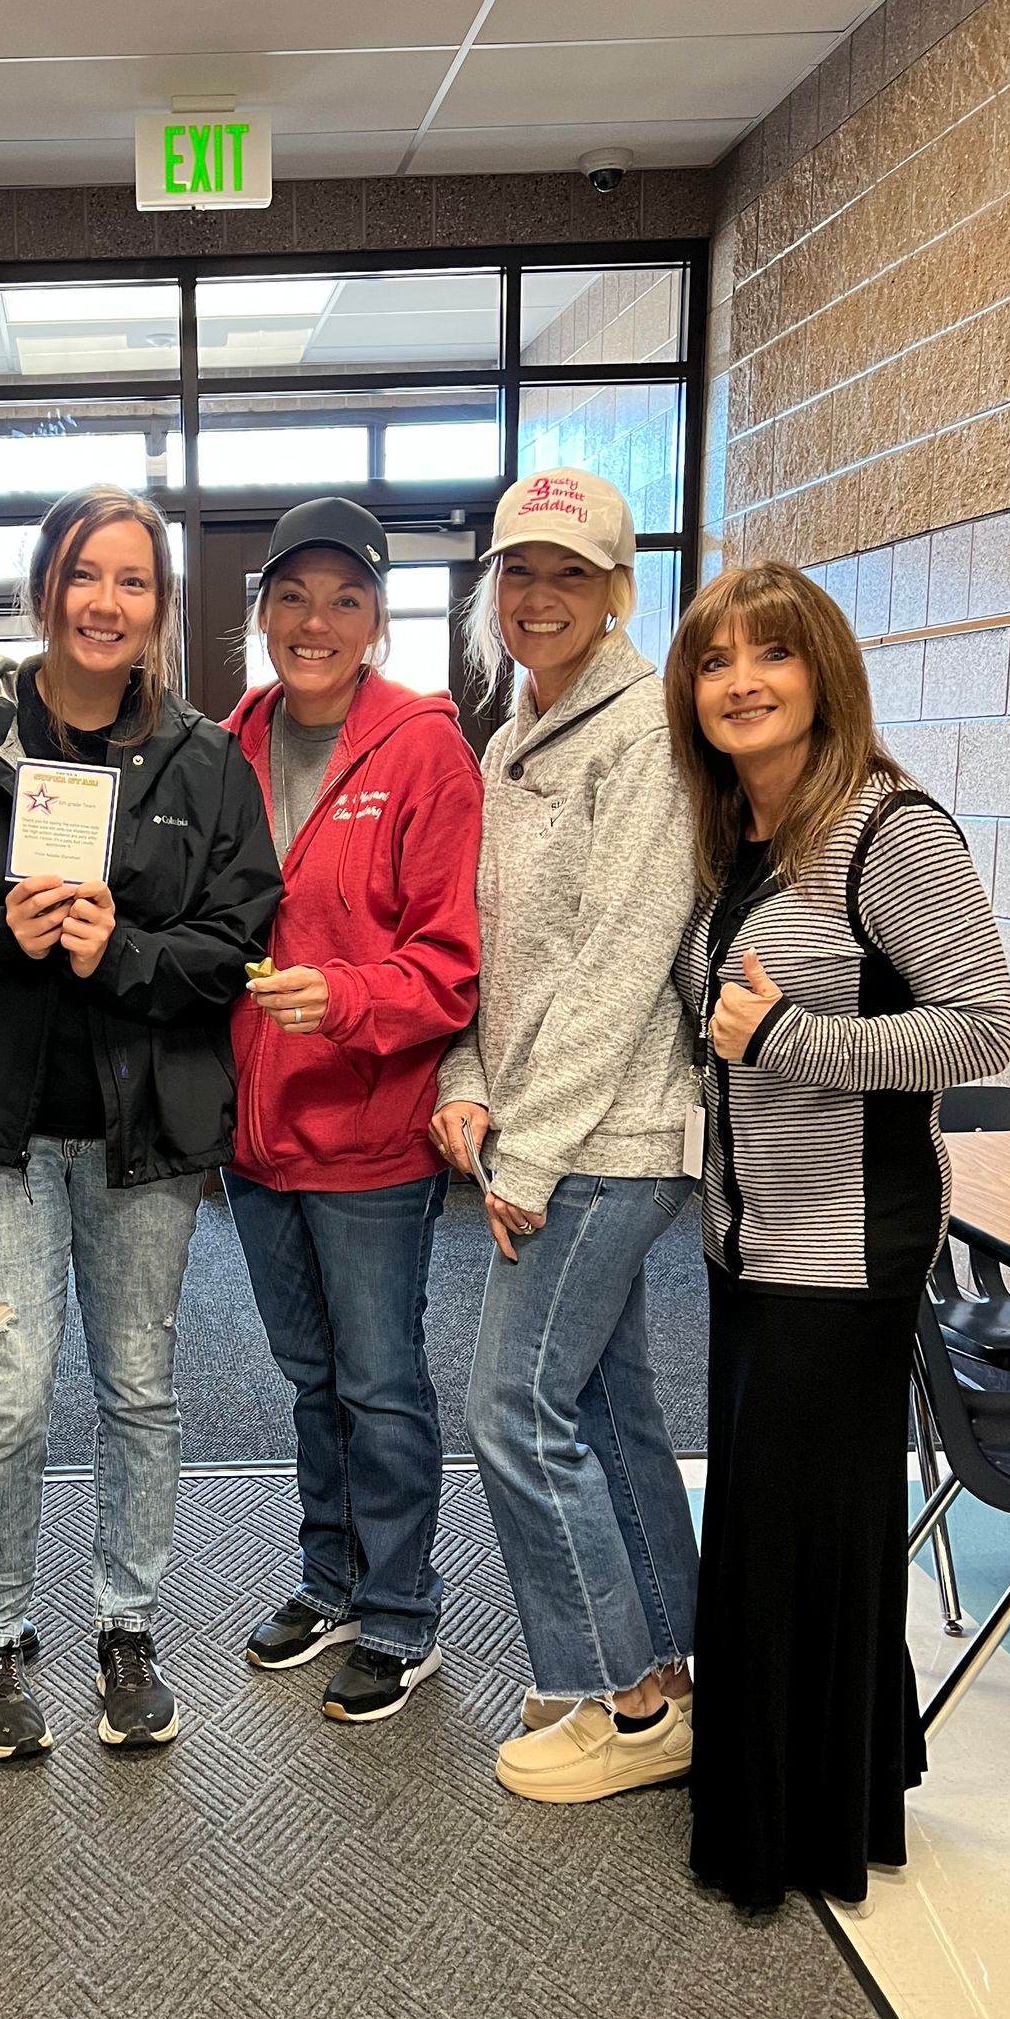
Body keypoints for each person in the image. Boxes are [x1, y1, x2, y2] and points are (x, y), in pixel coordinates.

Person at [0, 484, 280, 1763]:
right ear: (47, 588)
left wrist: (125, 954)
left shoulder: (204, 762)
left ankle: (127, 1631)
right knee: (8, 1389)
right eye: (85, 576)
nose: (108, 603)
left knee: (140, 1387)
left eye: (134, 581)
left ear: (161, 604)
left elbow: (236, 939)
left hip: (142, 1133)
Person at [666, 563, 1010, 1911]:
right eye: (715, 661)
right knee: (772, 1535)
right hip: (749, 1250)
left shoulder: (887, 829)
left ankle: (797, 1832)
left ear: (823, 674)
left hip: (847, 1255)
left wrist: (793, 1040)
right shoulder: (744, 842)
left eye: (773, 654)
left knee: (809, 1539)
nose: (742, 680)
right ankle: (822, 1799)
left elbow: (980, 1024)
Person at [431, 468, 702, 1804]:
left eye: (570, 576)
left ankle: (616, 1699)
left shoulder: (648, 732)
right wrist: (471, 1079)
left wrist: (525, 1157)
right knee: (609, 1403)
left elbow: (618, 967)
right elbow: (499, 953)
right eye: (519, 573)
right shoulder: (512, 735)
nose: (539, 599)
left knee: (512, 1412)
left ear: (615, 592)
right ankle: (671, 1665)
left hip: (612, 1134)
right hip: (542, 1123)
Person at [221, 499, 482, 1724]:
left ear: (377, 618)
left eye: (343, 600)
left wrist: (350, 997)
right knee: (309, 1375)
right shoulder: (229, 742)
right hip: (258, 1138)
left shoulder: (426, 751)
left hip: (371, 1131)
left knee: (382, 1382)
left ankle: (402, 1612)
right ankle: (330, 1579)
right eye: (293, 598)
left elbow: (452, 963)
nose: (314, 622)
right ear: (263, 612)